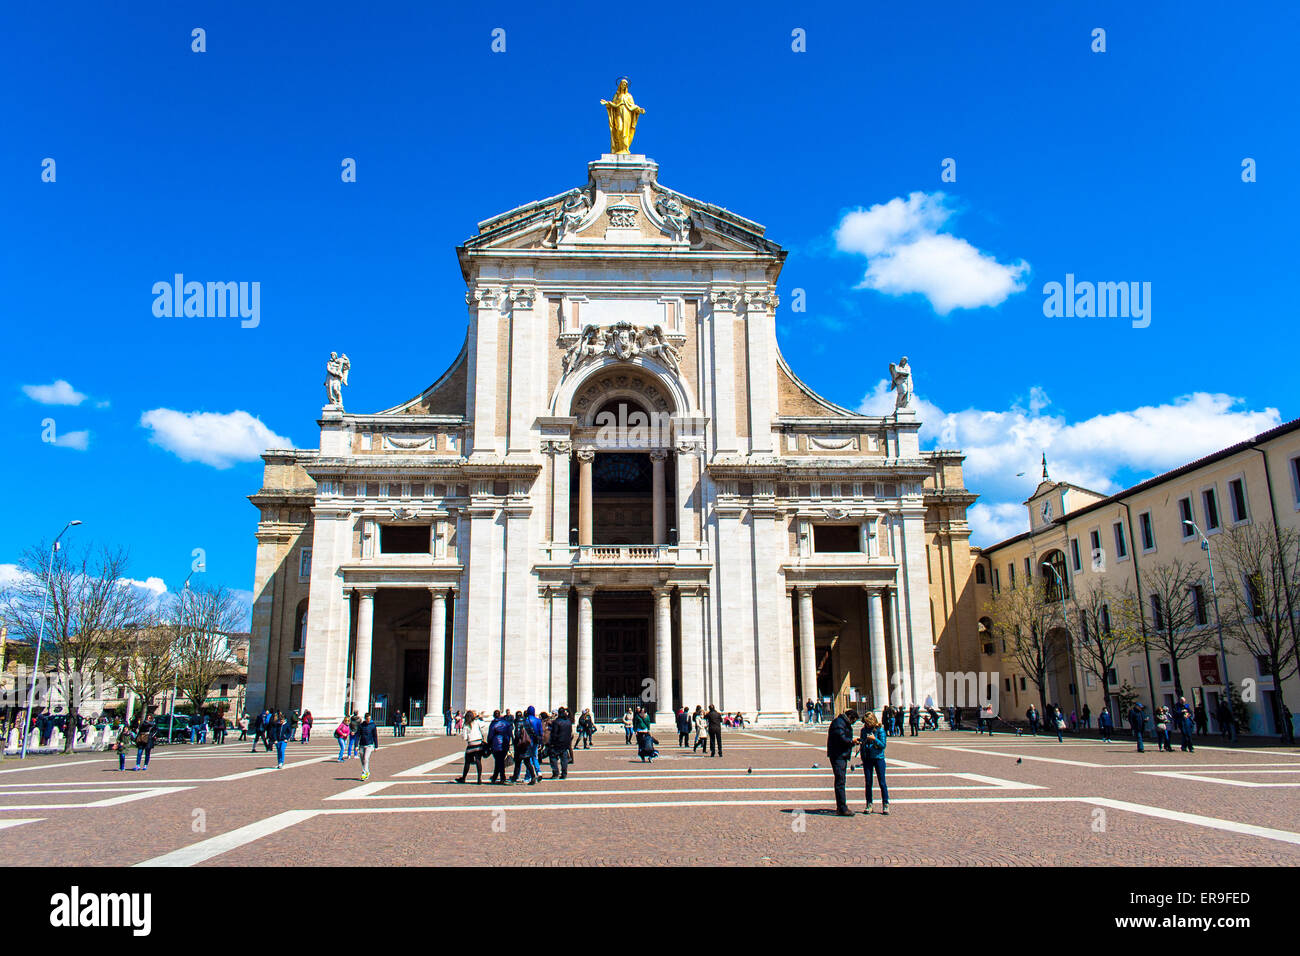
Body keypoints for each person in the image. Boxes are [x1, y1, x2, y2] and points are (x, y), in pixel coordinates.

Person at [826, 708, 858, 817]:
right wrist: (851, 741)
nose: (853, 724)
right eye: (853, 721)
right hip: (838, 755)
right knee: (840, 781)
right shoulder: (838, 723)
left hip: (840, 755)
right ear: (850, 717)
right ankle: (842, 808)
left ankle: (841, 806)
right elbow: (841, 738)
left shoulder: (840, 722)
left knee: (841, 780)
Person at [859, 712, 889, 814]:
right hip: (867, 758)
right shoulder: (863, 730)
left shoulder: (880, 730)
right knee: (868, 782)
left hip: (878, 758)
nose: (866, 725)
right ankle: (869, 804)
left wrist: (874, 739)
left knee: (882, 782)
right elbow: (862, 743)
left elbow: (883, 745)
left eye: (867, 723)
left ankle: (885, 804)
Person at [455, 710, 487, 784]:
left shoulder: (466, 725)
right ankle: (479, 779)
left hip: (471, 744)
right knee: (478, 761)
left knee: (467, 762)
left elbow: (464, 737)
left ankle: (464, 778)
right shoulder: (477, 722)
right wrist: (480, 717)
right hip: (479, 743)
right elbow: (483, 724)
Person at [487, 710, 513, 784]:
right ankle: (495, 777)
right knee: (499, 761)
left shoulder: (493, 724)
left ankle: (501, 777)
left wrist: (489, 743)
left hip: (496, 744)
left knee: (499, 761)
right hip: (505, 743)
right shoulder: (506, 723)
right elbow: (510, 733)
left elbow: (490, 735)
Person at [549, 707, 574, 779]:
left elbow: (554, 733)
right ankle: (564, 773)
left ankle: (555, 772)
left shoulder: (556, 722)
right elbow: (570, 732)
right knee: (564, 759)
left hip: (557, 743)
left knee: (553, 757)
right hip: (565, 743)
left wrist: (552, 742)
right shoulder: (568, 722)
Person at [356, 712, 379, 781]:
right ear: (365, 718)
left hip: (369, 744)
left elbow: (375, 736)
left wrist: (376, 746)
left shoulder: (373, 725)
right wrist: (356, 745)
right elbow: (358, 735)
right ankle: (367, 770)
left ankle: (364, 773)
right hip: (362, 744)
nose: (368, 720)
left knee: (366, 759)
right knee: (362, 759)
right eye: (367, 719)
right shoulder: (361, 725)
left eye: (369, 719)